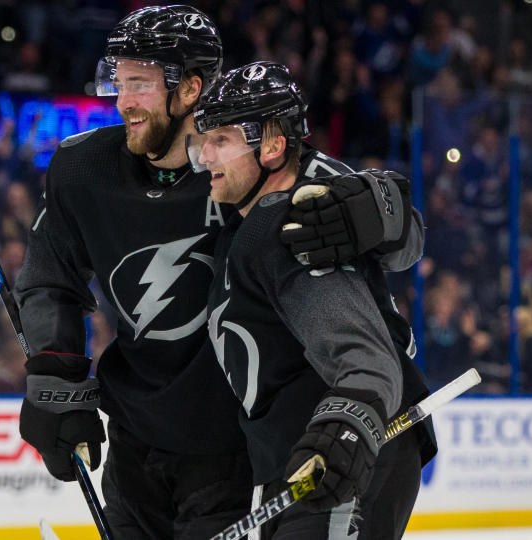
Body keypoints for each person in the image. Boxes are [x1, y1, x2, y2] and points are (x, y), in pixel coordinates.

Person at [14, 6, 423, 538]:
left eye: (139, 83)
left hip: (229, 453)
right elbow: (50, 278)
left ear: (190, 89)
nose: (122, 100)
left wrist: (377, 212)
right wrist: (55, 375)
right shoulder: (83, 169)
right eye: (118, 81)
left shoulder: (249, 174)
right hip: (136, 442)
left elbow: (401, 242)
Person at [191, 61, 436, 539]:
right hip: (301, 452)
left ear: (274, 144)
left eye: (221, 139)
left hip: (348, 441)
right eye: (205, 138)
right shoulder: (248, 214)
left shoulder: (295, 221)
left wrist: (348, 420)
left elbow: (365, 357)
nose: (206, 154)